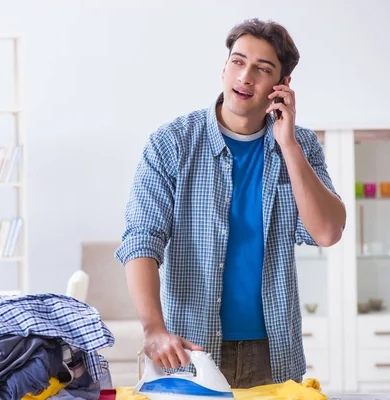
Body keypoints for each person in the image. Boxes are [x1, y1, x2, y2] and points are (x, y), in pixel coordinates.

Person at [114, 18, 346, 389]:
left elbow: (327, 232)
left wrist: (288, 146)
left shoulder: (300, 146)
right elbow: (142, 240)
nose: (246, 76)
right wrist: (154, 329)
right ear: (224, 68)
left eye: (263, 68)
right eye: (238, 62)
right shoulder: (171, 143)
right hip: (188, 349)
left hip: (274, 352)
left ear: (281, 86)